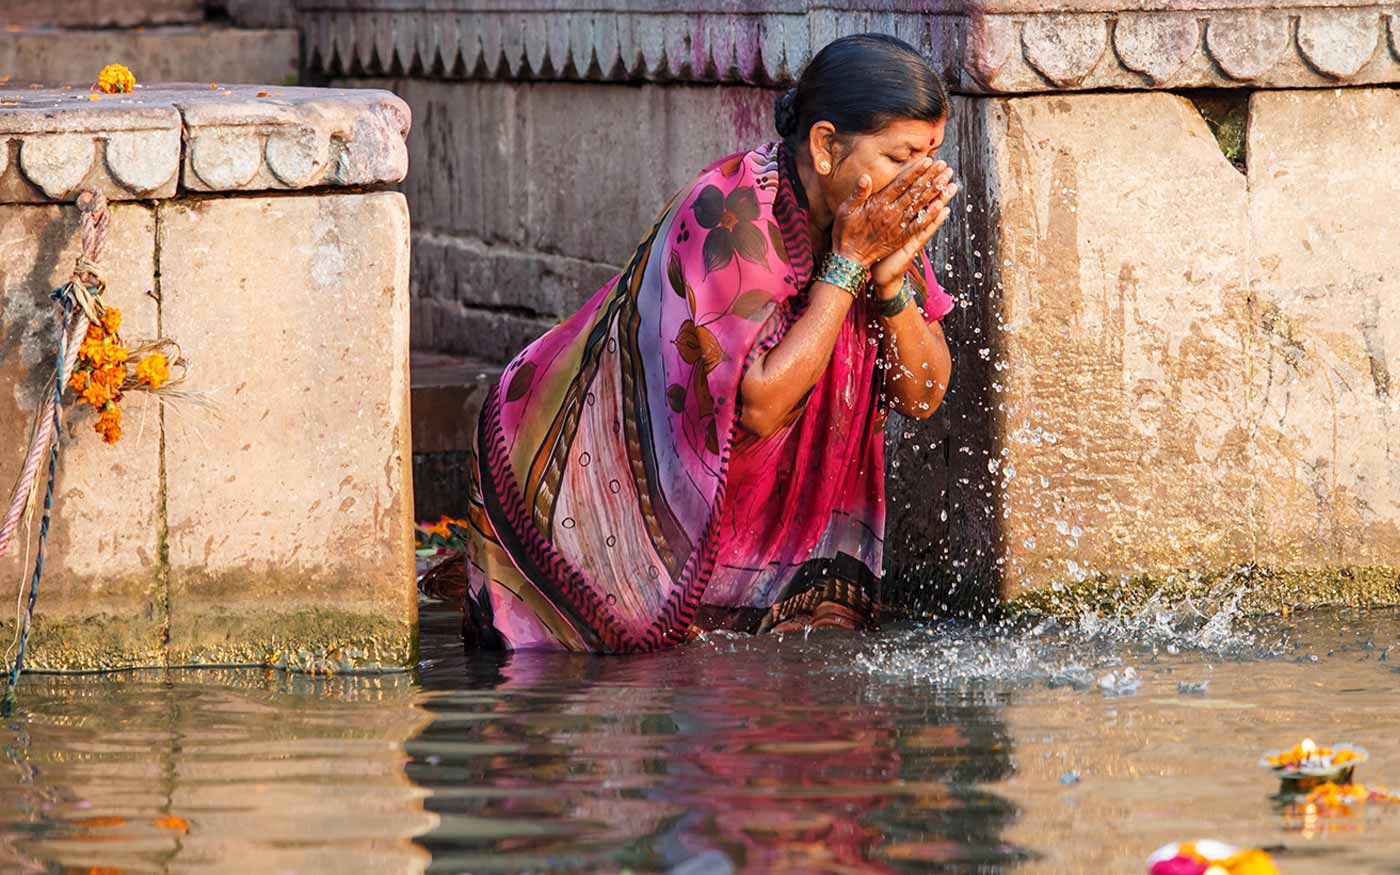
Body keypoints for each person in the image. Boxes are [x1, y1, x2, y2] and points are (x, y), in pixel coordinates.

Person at [423, 33, 958, 652]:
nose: (922, 178)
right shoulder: (726, 212)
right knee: (614, 666)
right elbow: (757, 407)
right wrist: (848, 266)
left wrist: (890, 284)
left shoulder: (875, 219)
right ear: (824, 147)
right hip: (569, 475)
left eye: (931, 155)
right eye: (901, 157)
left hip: (754, 525)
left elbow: (922, 396)